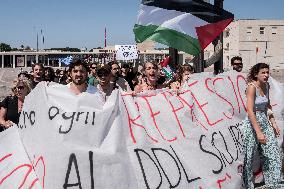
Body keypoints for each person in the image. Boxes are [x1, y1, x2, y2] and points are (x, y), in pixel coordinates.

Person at [242, 63, 283, 188]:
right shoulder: (251, 87)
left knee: (273, 153)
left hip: (265, 121)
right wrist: (258, 132)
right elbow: (250, 111)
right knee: (249, 156)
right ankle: (248, 185)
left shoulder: (267, 85)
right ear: (256, 74)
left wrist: (274, 123)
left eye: (267, 72)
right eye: (263, 73)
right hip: (252, 123)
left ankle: (273, 183)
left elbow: (267, 106)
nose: (266, 75)